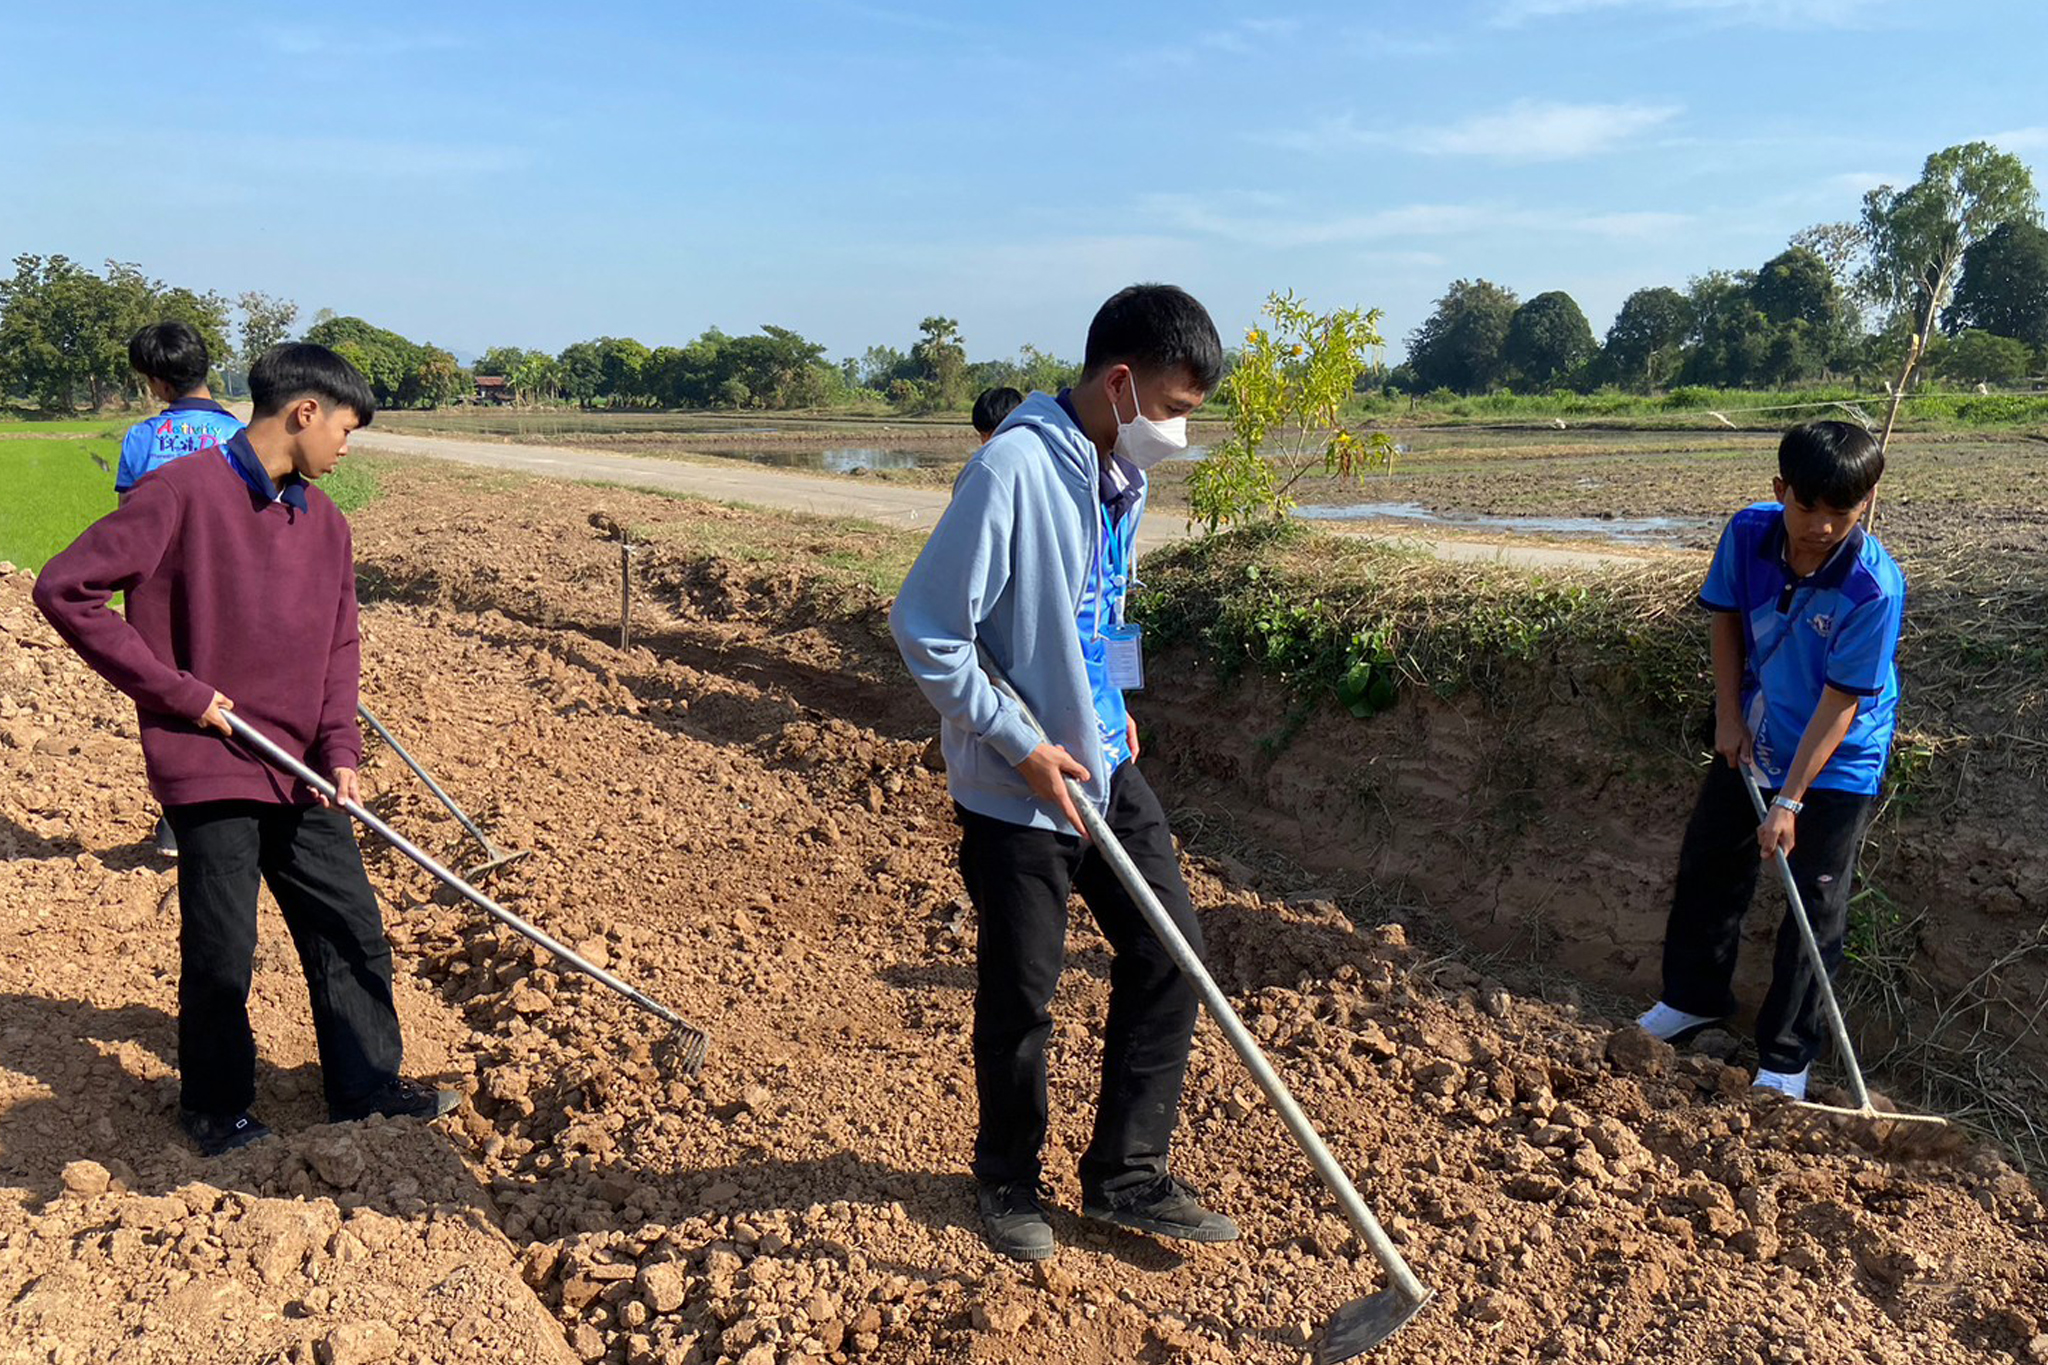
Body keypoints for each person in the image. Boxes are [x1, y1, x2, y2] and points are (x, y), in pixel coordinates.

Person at [34, 343, 457, 1156]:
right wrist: (181, 693)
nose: (345, 447)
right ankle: (217, 1106)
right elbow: (64, 589)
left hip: (301, 770)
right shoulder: (180, 494)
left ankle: (365, 1087)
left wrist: (342, 751)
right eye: (345, 429)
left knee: (349, 927)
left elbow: (340, 648)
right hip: (214, 765)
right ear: (303, 412)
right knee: (224, 948)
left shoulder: (326, 523)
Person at [889, 284, 1236, 1261]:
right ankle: (1005, 1179)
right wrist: (1021, 743)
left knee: (1171, 955)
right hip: (1018, 787)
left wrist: (1116, 711)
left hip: (1106, 768)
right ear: (1120, 382)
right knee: (1021, 997)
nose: (1174, 430)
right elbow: (926, 629)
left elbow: (1105, 611)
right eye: (1171, 407)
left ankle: (1126, 1176)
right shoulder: (1010, 472)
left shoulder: (1118, 472)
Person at [1635, 420, 1904, 1101]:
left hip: (1835, 755)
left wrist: (1791, 800)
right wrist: (1728, 714)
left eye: (1839, 513)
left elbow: (1842, 702)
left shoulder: (1874, 587)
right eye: (1806, 507)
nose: (1820, 526)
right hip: (1754, 731)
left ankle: (1786, 1057)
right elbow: (1725, 617)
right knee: (1709, 863)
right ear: (1780, 489)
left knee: (1813, 899)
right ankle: (1693, 997)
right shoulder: (1749, 534)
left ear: (1865, 503)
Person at [115, 321, 248, 858]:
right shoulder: (240, 437)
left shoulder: (144, 438)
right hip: (233, 587)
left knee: (173, 698)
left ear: (156, 383)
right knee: (238, 692)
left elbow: (129, 522)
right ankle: (243, 804)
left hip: (162, 598)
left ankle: (178, 819)